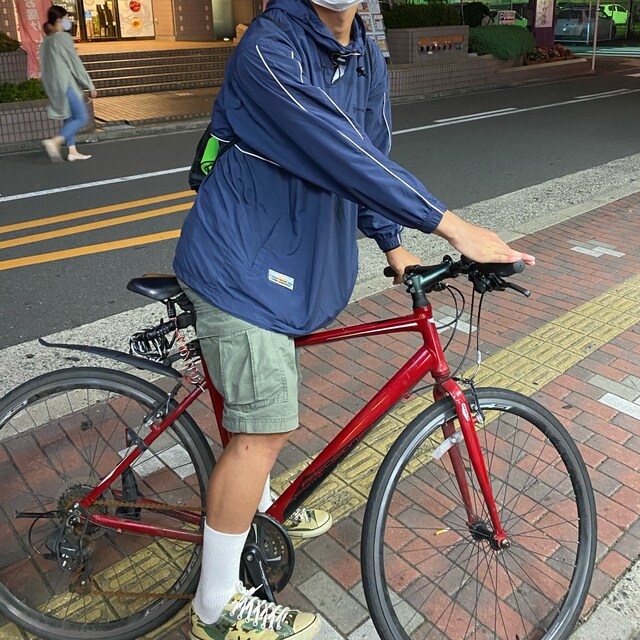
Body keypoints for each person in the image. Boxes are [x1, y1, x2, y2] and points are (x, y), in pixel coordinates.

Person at [173, 0, 535, 638]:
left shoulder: (365, 54)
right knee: (265, 427)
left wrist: (393, 244)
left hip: (289, 266)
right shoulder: (269, 47)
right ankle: (216, 604)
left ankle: (260, 508)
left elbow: (370, 154)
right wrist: (453, 227)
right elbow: (339, 151)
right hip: (240, 265)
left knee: (258, 411)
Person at [39, 5, 97, 163]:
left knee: (69, 117)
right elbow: (75, 63)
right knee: (82, 117)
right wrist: (89, 84)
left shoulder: (47, 41)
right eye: (65, 18)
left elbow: (43, 66)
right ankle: (55, 141)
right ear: (59, 20)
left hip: (54, 86)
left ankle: (72, 151)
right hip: (66, 83)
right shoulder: (63, 38)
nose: (67, 21)